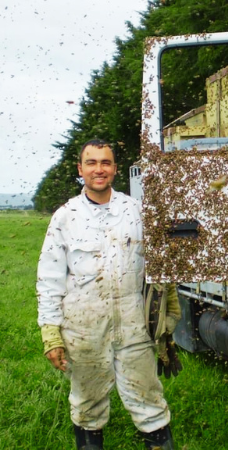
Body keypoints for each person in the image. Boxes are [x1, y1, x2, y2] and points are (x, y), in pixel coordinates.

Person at [37, 139, 180, 450]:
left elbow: (160, 266)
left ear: (115, 169)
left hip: (134, 327)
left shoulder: (136, 212)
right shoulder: (65, 217)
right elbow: (49, 278)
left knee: (149, 400)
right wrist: (51, 332)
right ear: (81, 169)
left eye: (105, 162)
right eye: (91, 163)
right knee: (88, 406)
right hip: (83, 328)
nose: (98, 169)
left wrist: (170, 307)